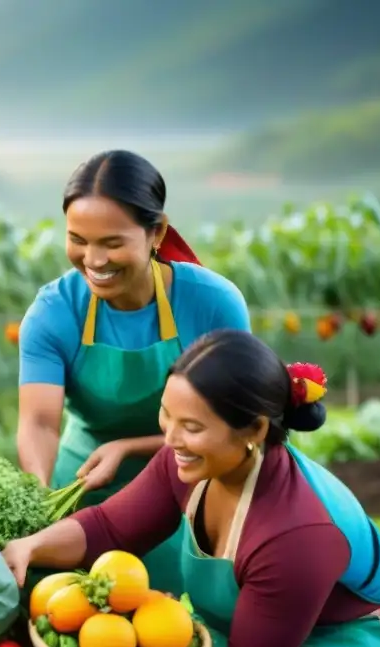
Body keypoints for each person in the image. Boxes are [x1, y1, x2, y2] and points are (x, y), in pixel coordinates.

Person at [3, 330, 380, 647]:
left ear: (255, 430)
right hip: (269, 617)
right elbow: (110, 527)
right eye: (166, 416)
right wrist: (31, 547)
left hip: (352, 636)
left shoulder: (298, 530)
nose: (169, 439)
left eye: (192, 427)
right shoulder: (188, 459)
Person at [17, 149, 251, 604]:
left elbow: (235, 426)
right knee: (79, 621)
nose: (93, 259)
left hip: (197, 483)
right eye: (78, 240)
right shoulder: (54, 312)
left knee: (184, 622)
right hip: (86, 482)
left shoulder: (212, 303)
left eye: (111, 242)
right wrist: (41, 500)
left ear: (156, 232)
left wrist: (128, 448)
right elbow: (40, 422)